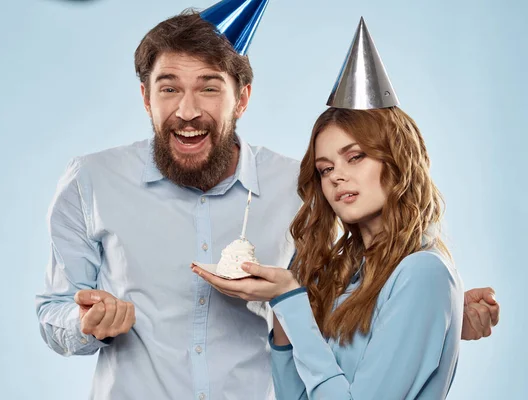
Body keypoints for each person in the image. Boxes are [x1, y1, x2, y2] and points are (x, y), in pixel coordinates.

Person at [36, 3, 499, 399]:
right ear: (145, 97)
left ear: (242, 99)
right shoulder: (91, 181)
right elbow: (53, 309)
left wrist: (437, 313)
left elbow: (349, 285)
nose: (188, 109)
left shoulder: (298, 187)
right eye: (169, 87)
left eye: (210, 87)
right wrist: (86, 324)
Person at [191, 18, 481, 399]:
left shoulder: (423, 273)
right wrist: (281, 311)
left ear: (397, 161)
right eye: (325, 169)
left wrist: (291, 300)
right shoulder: (350, 276)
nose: (337, 178)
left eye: (355, 157)